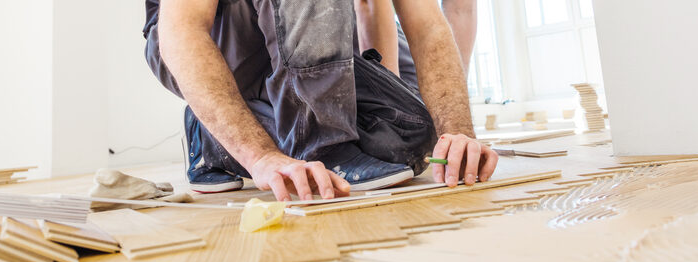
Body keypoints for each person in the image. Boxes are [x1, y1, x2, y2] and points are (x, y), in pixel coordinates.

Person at [142, 0, 498, 201]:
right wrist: (260, 157)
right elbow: (181, 30)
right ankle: (324, 145)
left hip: (289, 31)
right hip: (203, 40)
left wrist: (457, 132)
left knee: (412, 135)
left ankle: (211, 137)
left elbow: (426, 26)